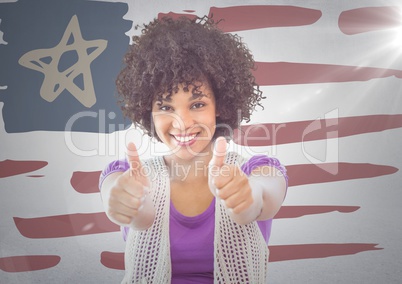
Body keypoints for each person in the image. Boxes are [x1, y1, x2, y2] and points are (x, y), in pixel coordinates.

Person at [99, 15, 288, 284]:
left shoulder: (258, 170)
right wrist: (130, 205)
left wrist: (249, 199)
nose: (183, 123)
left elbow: (263, 198)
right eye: (165, 107)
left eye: (197, 104)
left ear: (219, 104)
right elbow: (141, 215)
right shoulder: (127, 176)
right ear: (148, 111)